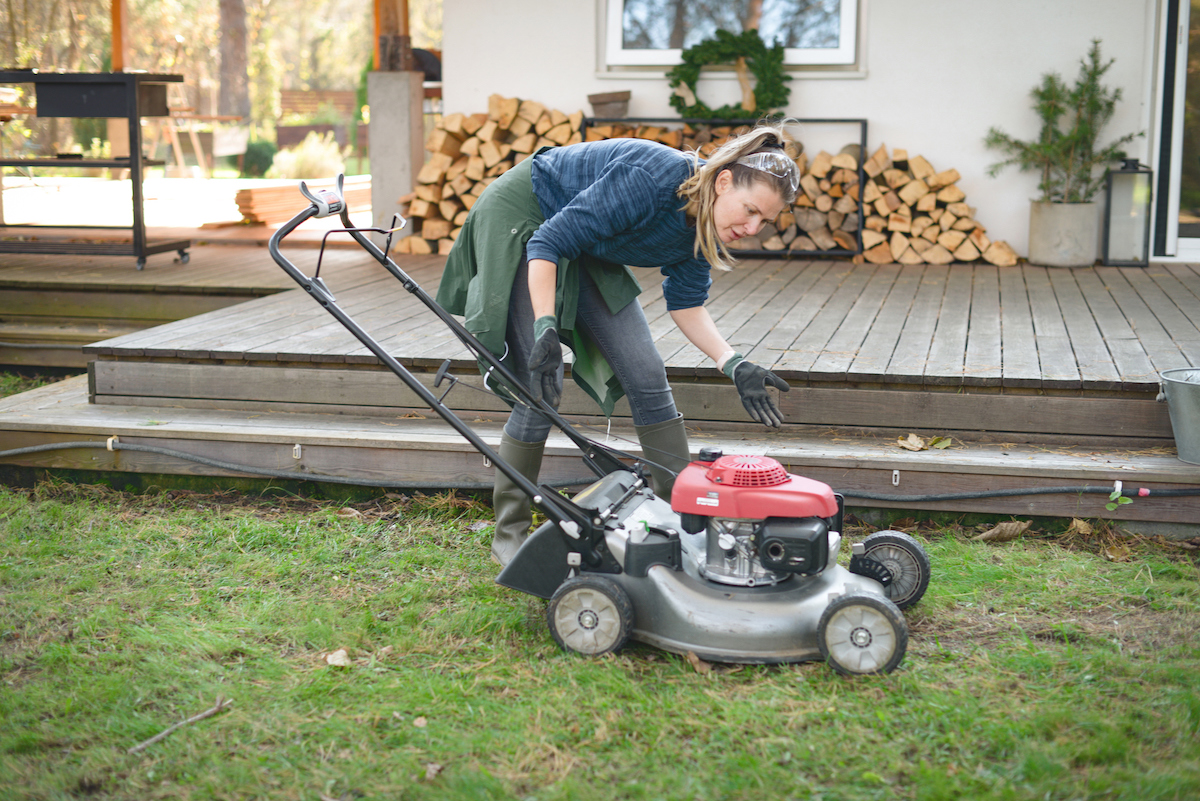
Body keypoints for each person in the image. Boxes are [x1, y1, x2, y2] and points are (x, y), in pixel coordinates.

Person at [436, 121, 800, 566]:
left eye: (765, 219)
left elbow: (686, 304)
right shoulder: (653, 180)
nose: (753, 227)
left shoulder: (705, 226)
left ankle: (680, 519)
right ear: (722, 182)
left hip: (585, 239)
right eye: (750, 210)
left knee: (646, 374)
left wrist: (734, 363)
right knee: (538, 387)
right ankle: (508, 533)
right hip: (526, 216)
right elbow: (548, 240)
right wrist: (545, 327)